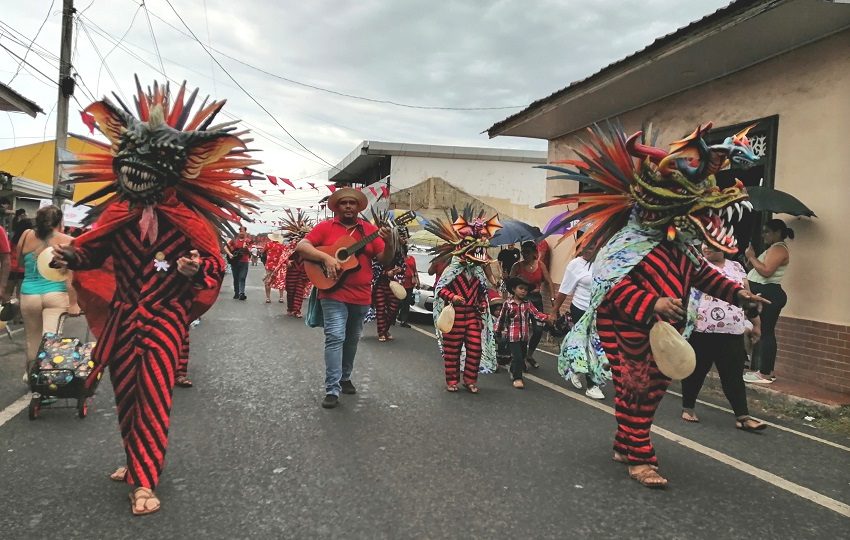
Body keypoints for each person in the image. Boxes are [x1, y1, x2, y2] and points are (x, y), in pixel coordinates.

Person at [55, 79, 248, 515]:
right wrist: (71, 254)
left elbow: (213, 266)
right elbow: (94, 250)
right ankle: (133, 461)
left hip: (164, 319)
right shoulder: (118, 213)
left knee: (155, 396)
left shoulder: (188, 220)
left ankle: (145, 480)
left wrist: (192, 271)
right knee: (125, 395)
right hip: (123, 320)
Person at [296, 187, 393, 409]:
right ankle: (332, 388)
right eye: (343, 203)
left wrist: (388, 243)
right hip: (332, 292)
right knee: (335, 337)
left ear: (358, 207)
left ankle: (344, 377)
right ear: (337, 207)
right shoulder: (325, 228)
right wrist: (326, 258)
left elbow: (384, 260)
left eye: (352, 203)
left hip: (361, 294)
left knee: (351, 339)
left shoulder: (369, 231)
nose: (348, 206)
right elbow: (302, 247)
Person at [680, 243, 766, 430]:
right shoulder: (697, 265)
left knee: (733, 375)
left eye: (712, 246)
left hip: (732, 330)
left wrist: (756, 324)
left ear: (724, 248)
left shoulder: (736, 267)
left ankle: (742, 417)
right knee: (696, 371)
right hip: (702, 329)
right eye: (705, 245)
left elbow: (748, 297)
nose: (706, 248)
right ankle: (688, 407)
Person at [426, 207, 501, 394]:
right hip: (455, 316)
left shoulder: (477, 272)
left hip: (472, 316)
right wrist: (452, 297)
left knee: (475, 349)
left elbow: (483, 293)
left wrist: (483, 305)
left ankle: (470, 380)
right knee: (453, 350)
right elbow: (440, 290)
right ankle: (452, 380)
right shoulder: (452, 270)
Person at [18, 206, 80, 366]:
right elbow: (70, 275)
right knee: (51, 342)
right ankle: (47, 380)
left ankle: (30, 375)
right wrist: (73, 303)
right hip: (56, 295)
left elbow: (19, 262)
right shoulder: (67, 240)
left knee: (32, 339)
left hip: (29, 294)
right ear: (59, 221)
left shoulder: (26, 235)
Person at [743, 219, 793, 384]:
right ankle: (759, 369)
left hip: (770, 294)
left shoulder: (779, 248)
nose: (763, 235)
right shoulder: (772, 248)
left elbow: (766, 271)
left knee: (766, 331)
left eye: (767, 232)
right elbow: (757, 272)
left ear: (777, 232)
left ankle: (765, 373)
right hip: (763, 291)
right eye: (762, 231)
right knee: (760, 330)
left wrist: (752, 256)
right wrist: (750, 260)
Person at [552, 244, 604, 399]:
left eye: (593, 247)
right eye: (586, 247)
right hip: (580, 309)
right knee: (590, 346)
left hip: (598, 311)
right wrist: (554, 310)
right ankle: (592, 385)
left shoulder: (602, 262)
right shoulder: (576, 265)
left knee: (594, 345)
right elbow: (564, 289)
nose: (589, 250)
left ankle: (577, 369)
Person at [494, 276, 551, 389]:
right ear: (514, 289)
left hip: (524, 337)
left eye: (525, 289)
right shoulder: (508, 304)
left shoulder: (527, 304)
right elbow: (501, 318)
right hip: (513, 336)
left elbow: (536, 314)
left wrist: (547, 317)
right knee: (518, 357)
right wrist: (498, 331)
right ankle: (517, 378)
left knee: (522, 356)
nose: (523, 291)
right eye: (521, 288)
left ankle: (513, 368)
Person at [509, 240, 555, 369]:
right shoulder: (517, 266)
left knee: (538, 329)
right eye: (523, 252)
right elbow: (510, 284)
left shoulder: (540, 265)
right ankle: (521, 358)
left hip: (536, 299)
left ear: (534, 253)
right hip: (522, 300)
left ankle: (529, 354)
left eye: (527, 252)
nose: (525, 255)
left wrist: (553, 299)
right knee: (522, 331)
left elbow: (549, 282)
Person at [397, 244, 419, 328]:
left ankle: (404, 320)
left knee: (407, 302)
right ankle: (394, 317)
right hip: (400, 283)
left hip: (410, 284)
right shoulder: (398, 259)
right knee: (399, 302)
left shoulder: (411, 258)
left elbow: (415, 270)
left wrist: (418, 281)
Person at [228, 226, 251, 300]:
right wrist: (229, 254)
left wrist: (246, 247)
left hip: (244, 261)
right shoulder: (234, 240)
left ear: (245, 232)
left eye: (243, 231)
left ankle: (242, 293)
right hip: (235, 261)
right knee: (236, 277)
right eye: (240, 231)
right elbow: (225, 246)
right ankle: (236, 292)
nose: (241, 232)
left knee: (242, 277)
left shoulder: (248, 240)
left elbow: (249, 252)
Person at [263, 231, 286, 303]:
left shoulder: (268, 244)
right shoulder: (282, 246)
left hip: (269, 265)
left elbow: (263, 252)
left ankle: (268, 297)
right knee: (280, 280)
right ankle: (281, 297)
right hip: (279, 266)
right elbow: (284, 256)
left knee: (268, 281)